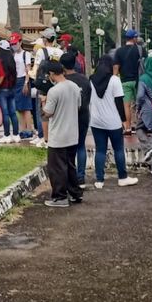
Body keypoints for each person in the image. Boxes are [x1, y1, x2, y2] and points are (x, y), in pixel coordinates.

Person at [89, 55, 139, 189]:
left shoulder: (91, 79)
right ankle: (122, 177)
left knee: (100, 150)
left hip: (96, 121)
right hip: (113, 121)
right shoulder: (115, 80)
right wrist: (124, 121)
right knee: (118, 149)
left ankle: (99, 180)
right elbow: (119, 102)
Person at [42, 62, 84, 207]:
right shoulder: (74, 87)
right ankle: (75, 193)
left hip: (58, 136)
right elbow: (78, 107)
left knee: (57, 168)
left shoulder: (54, 91)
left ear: (52, 74)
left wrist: (43, 103)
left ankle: (60, 197)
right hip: (72, 134)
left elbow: (48, 113)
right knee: (70, 166)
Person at [61, 52, 92, 188]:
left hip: (68, 117)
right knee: (81, 146)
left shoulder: (63, 81)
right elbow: (88, 99)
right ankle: (80, 177)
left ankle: (70, 177)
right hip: (83, 115)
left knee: (68, 148)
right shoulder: (84, 80)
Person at [29, 28, 63, 147]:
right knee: (55, 111)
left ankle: (43, 136)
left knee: (42, 111)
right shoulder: (60, 52)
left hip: (44, 85)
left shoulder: (41, 52)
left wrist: (31, 75)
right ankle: (53, 135)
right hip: (57, 84)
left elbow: (36, 69)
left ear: (45, 39)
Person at [113, 29, 145, 136]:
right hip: (138, 81)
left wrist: (114, 79)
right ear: (134, 38)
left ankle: (127, 128)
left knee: (126, 105)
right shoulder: (140, 50)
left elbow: (116, 67)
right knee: (139, 104)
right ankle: (139, 126)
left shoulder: (119, 51)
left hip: (124, 81)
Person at [0, 41, 19, 143]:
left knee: (5, 113)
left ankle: (7, 135)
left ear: (1, 49)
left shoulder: (0, 61)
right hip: (11, 89)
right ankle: (16, 135)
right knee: (13, 112)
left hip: (3, 89)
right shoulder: (11, 59)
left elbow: (1, 75)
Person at [10, 33, 34, 139]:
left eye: (15, 43)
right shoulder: (13, 55)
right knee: (19, 107)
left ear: (20, 42)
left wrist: (26, 83)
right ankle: (22, 129)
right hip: (15, 81)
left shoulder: (26, 54)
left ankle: (29, 129)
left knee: (26, 107)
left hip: (24, 80)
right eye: (12, 44)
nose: (14, 45)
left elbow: (28, 70)